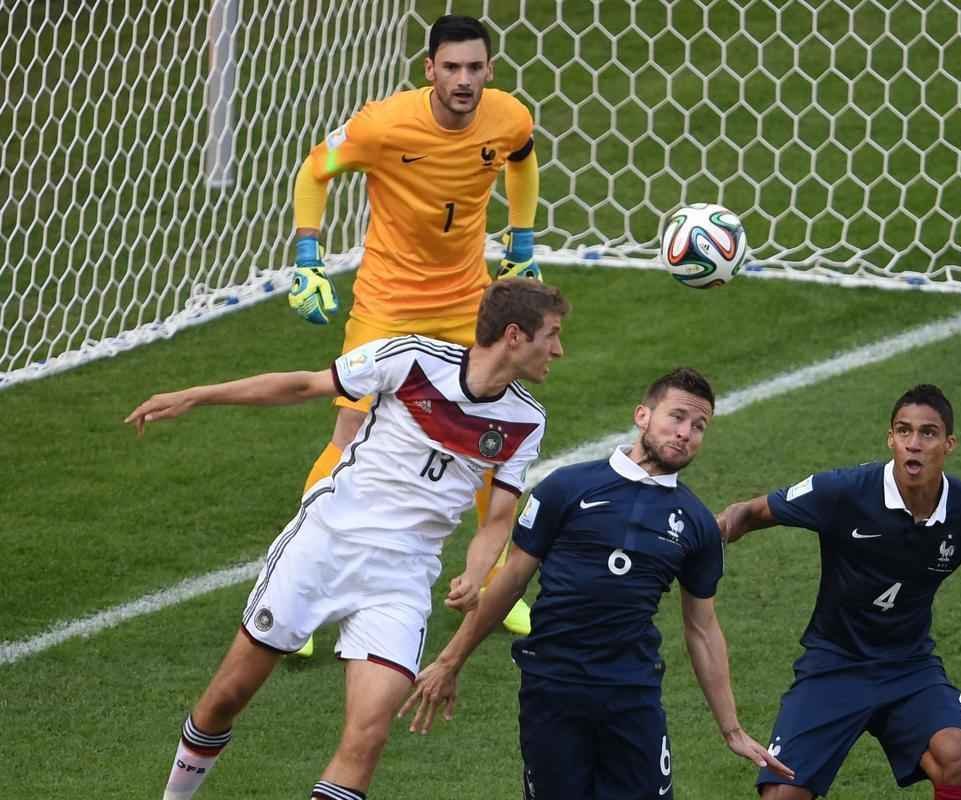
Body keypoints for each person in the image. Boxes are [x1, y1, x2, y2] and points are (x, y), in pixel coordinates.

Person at [127, 279, 569, 800]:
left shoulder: (526, 420)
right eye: (552, 334)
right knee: (227, 696)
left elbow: (497, 519)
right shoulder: (411, 359)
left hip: (402, 578)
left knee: (368, 736)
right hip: (325, 546)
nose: (558, 350)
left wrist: (475, 574)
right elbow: (304, 386)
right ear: (514, 336)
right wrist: (196, 395)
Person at [400, 368, 794, 799]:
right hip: (552, 690)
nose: (685, 433)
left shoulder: (696, 523)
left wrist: (732, 729)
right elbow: (511, 583)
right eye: (677, 417)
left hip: (632, 696)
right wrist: (450, 661)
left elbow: (702, 628)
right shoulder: (566, 488)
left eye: (699, 426)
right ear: (642, 415)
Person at [288, 14, 541, 645]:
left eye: (475, 67)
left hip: (465, 305)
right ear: (429, 70)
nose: (464, 80)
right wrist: (308, 257)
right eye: (451, 67)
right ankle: (301, 587)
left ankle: (493, 583)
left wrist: (522, 240)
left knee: (488, 438)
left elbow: (522, 158)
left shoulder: (508, 117)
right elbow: (315, 169)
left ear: (489, 69)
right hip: (388, 304)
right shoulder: (383, 125)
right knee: (350, 433)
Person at [715, 384, 961, 800]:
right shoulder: (844, 491)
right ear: (890, 439)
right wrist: (701, 538)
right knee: (782, 794)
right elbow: (751, 512)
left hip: (908, 666)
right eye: (904, 431)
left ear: (949, 444)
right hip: (835, 663)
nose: (913, 444)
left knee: (960, 758)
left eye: (927, 433)